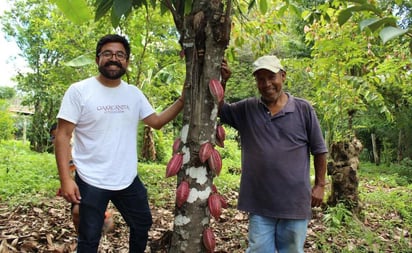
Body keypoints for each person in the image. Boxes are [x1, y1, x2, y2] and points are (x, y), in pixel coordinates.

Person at [54, 34, 184, 253]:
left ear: (127, 62)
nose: (113, 58)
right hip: (90, 179)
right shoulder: (79, 91)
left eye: (119, 55)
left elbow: (157, 121)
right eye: (107, 54)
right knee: (89, 237)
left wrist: (182, 99)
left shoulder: (133, 94)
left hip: (127, 179)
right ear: (97, 59)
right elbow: (63, 136)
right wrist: (66, 179)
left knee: (142, 223)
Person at [219, 55, 328, 253]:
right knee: (259, 249)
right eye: (261, 79)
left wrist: (320, 185)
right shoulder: (247, 109)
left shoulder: (303, 109)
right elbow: (218, 109)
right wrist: (223, 80)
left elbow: (319, 150)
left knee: (292, 250)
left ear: (283, 76)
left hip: (294, 203)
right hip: (260, 202)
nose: (267, 84)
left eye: (271, 77)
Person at [50, 123, 113, 234]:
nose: (57, 140)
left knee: (78, 211)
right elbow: (67, 173)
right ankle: (82, 236)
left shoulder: (82, 149)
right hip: (77, 187)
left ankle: (104, 218)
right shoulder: (62, 154)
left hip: (91, 183)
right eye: (54, 137)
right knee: (76, 214)